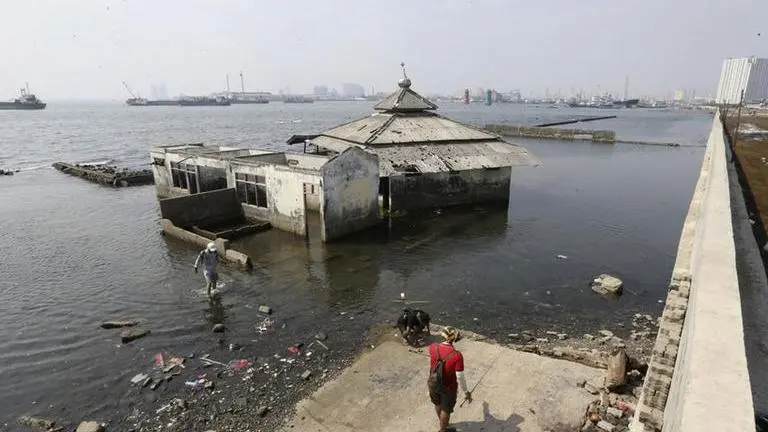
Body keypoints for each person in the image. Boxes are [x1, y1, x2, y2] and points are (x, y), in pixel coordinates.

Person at [428, 326, 471, 432]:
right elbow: (460, 376)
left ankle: (443, 423)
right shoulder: (457, 355)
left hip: (433, 382)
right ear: (454, 338)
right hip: (448, 387)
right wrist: (466, 392)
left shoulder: (433, 347)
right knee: (446, 410)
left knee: (437, 404)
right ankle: (443, 429)